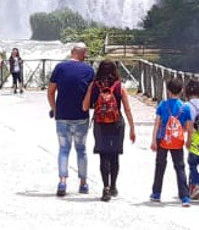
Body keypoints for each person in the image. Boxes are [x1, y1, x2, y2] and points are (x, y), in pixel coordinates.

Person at [82, 60, 136, 201]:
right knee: (114, 156)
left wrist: (89, 90)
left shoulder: (94, 86)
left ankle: (105, 187)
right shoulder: (119, 86)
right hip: (117, 124)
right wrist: (132, 127)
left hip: (100, 124)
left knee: (103, 156)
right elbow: (127, 109)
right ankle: (113, 186)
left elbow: (85, 107)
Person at [47, 42, 94, 197]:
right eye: (85, 53)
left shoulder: (60, 68)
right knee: (81, 150)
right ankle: (83, 183)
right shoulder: (89, 70)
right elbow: (90, 95)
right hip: (81, 115)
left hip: (62, 116)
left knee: (63, 150)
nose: (86, 56)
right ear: (81, 54)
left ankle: (62, 182)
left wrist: (55, 109)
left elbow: (50, 92)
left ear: (72, 52)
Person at [150, 77, 194, 206]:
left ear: (168, 91)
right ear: (181, 91)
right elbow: (189, 126)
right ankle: (185, 196)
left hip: (162, 138)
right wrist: (188, 140)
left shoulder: (162, 105)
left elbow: (157, 124)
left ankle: (156, 193)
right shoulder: (185, 107)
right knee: (180, 167)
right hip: (177, 140)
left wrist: (153, 140)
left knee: (160, 165)